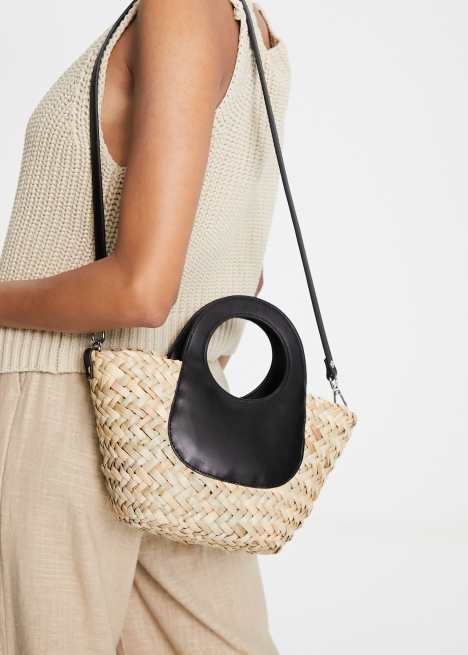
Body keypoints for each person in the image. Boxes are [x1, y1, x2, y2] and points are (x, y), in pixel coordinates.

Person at [0, 0, 290, 652]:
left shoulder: (177, 11)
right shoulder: (253, 33)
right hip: (185, 414)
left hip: (60, 402)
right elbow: (239, 269)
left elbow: (141, 291)